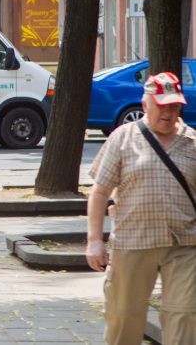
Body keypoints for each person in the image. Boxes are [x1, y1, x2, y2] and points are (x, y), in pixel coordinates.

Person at [86, 71, 196, 345]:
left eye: (174, 106)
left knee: (185, 314)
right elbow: (99, 192)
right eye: (162, 105)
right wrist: (94, 241)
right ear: (146, 104)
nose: (168, 113)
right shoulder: (123, 138)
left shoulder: (192, 142)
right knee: (124, 317)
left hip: (184, 244)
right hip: (133, 241)